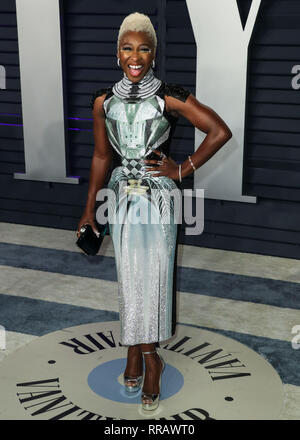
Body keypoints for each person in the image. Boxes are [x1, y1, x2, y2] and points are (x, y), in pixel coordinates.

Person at [76, 12, 232, 412]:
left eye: (143, 48)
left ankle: (150, 359)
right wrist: (89, 210)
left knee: (154, 280)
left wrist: (181, 169)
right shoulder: (102, 101)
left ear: (153, 55)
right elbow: (99, 155)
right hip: (120, 199)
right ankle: (136, 351)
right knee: (129, 279)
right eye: (128, 48)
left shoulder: (168, 96)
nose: (135, 56)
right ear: (117, 54)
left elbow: (219, 131)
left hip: (158, 199)